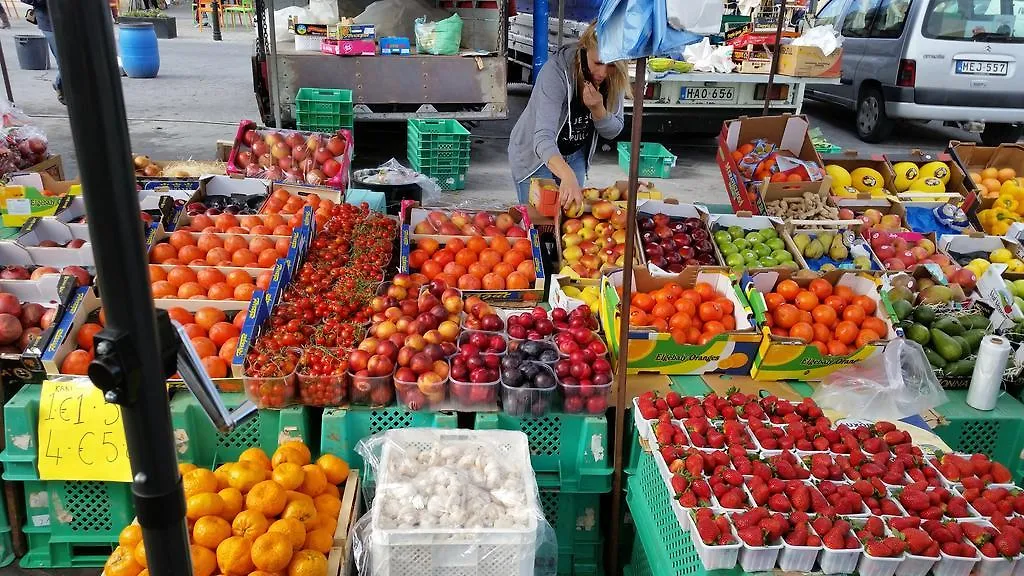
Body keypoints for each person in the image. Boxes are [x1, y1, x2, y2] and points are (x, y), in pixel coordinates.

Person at [508, 22, 627, 208]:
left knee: (568, 223)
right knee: (539, 223)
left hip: (575, 155)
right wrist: (567, 175)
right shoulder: (556, 71)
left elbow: (614, 130)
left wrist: (599, 111)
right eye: (598, 63)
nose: (603, 73)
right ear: (585, 49)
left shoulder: (615, 77)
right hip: (535, 156)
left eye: (611, 65)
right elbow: (542, 138)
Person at [22, 0, 62, 103]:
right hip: (50, 22)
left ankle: (62, 85)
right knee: (65, 61)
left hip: (76, 20)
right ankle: (61, 86)